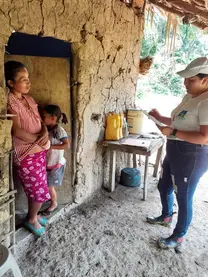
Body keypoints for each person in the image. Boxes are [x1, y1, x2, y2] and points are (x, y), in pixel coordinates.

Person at [146, 57, 208, 249]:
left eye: (190, 79)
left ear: (205, 80)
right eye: (185, 79)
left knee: (184, 195)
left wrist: (173, 132)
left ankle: (178, 235)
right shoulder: (190, 96)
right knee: (164, 186)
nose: (185, 83)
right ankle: (165, 216)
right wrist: (159, 118)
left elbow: (205, 137)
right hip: (175, 149)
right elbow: (178, 121)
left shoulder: (206, 102)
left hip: (193, 154)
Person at [5, 60, 51, 237]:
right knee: (38, 192)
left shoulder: (29, 99)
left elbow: (40, 122)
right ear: (10, 83)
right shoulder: (10, 102)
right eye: (22, 79)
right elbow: (16, 130)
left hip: (37, 153)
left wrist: (45, 132)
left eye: (28, 78)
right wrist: (39, 141)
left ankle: (34, 216)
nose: (28, 82)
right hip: (26, 155)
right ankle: (31, 220)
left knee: (39, 187)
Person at [42, 105, 69, 215]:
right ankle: (50, 199)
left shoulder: (59, 130)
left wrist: (51, 148)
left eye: (44, 116)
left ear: (53, 118)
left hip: (56, 164)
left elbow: (66, 145)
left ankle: (54, 203)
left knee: (50, 185)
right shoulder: (48, 128)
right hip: (50, 162)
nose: (42, 118)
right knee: (48, 184)